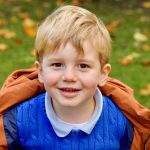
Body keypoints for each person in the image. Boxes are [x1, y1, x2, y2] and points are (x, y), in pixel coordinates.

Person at [0, 5, 150, 150]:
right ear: (40, 71)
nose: (69, 77)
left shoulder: (122, 121)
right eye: (57, 64)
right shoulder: (17, 120)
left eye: (83, 66)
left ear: (102, 74)